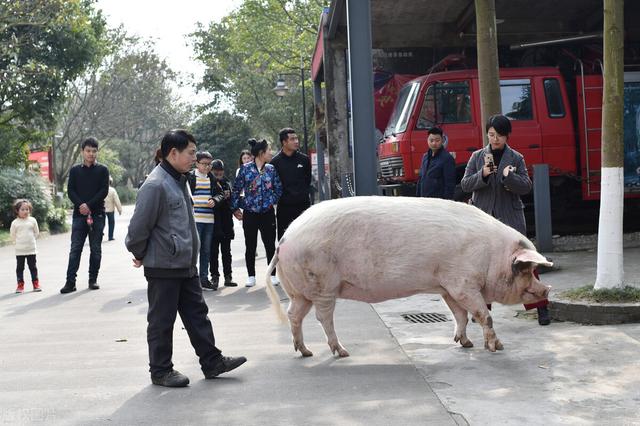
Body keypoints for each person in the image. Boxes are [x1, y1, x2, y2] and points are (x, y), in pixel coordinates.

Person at [125, 129, 246, 388]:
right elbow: (137, 230)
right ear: (173, 153)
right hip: (163, 266)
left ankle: (212, 361)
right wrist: (140, 253)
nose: (195, 158)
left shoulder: (180, 180)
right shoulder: (156, 185)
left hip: (185, 263)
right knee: (162, 321)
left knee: (197, 315)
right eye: (191, 153)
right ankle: (161, 371)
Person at [461, 114, 550, 325]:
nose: (495, 139)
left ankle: (541, 307)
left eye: (499, 135)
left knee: (524, 265)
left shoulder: (516, 158)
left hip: (510, 221)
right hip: (483, 220)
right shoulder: (477, 157)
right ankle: (481, 311)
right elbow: (465, 185)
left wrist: (509, 177)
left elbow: (526, 186)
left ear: (507, 136)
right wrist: (482, 174)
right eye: (491, 135)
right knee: (482, 267)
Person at [60, 137, 109, 293]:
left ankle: (92, 279)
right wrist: (81, 205)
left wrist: (89, 205)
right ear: (82, 152)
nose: (91, 154)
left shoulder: (103, 170)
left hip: (98, 215)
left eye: (94, 151)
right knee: (75, 249)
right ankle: (70, 282)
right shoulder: (75, 170)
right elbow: (71, 190)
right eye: (88, 151)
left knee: (95, 249)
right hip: (79, 215)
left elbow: (104, 191)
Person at [231, 138, 282, 287]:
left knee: (270, 245)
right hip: (250, 213)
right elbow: (236, 190)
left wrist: (270, 201)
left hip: (267, 213)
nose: (270, 153)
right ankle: (251, 276)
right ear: (261, 153)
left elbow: (278, 189)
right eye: (268, 150)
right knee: (250, 245)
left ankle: (272, 275)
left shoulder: (271, 169)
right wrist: (236, 207)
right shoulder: (245, 169)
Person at [270, 127, 312, 241]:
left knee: (306, 239)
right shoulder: (275, 162)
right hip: (285, 208)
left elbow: (308, 180)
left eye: (297, 138)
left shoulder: (304, 159)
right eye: (292, 139)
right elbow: (273, 186)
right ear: (284, 142)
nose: (296, 141)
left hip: (303, 206)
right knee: (285, 240)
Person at [187, 151, 217, 291]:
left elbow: (220, 193)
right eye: (204, 164)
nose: (207, 167)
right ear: (197, 163)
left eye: (209, 164)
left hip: (209, 220)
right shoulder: (190, 177)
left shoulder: (211, 177)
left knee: (206, 250)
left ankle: (204, 279)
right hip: (195, 219)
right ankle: (192, 279)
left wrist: (215, 200)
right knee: (194, 250)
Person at [210, 159, 238, 288]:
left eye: (221, 171)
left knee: (227, 252)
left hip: (226, 222)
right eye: (216, 171)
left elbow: (232, 200)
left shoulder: (227, 182)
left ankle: (228, 276)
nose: (219, 173)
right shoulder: (208, 182)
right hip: (213, 222)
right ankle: (214, 277)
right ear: (212, 171)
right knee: (213, 253)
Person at [415, 126, 456, 199]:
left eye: (437, 140)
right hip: (424, 201)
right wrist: (418, 199)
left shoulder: (447, 158)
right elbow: (420, 179)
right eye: (431, 140)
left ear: (442, 140)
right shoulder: (425, 157)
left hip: (438, 202)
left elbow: (449, 184)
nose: (434, 143)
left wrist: (446, 203)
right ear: (427, 140)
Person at [10, 199, 41, 293]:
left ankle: (36, 284)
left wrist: (32, 241)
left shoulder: (32, 220)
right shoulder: (15, 223)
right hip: (20, 250)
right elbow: (13, 235)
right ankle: (20, 285)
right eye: (22, 209)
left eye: (27, 209)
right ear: (17, 211)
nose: (25, 211)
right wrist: (17, 244)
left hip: (31, 249)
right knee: (20, 268)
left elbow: (36, 232)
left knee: (33, 267)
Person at [104, 177, 122, 241]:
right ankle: (110, 236)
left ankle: (100, 233)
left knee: (101, 223)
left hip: (101, 210)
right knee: (111, 223)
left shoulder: (100, 189)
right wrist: (119, 210)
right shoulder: (112, 190)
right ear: (111, 182)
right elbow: (116, 200)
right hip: (110, 210)